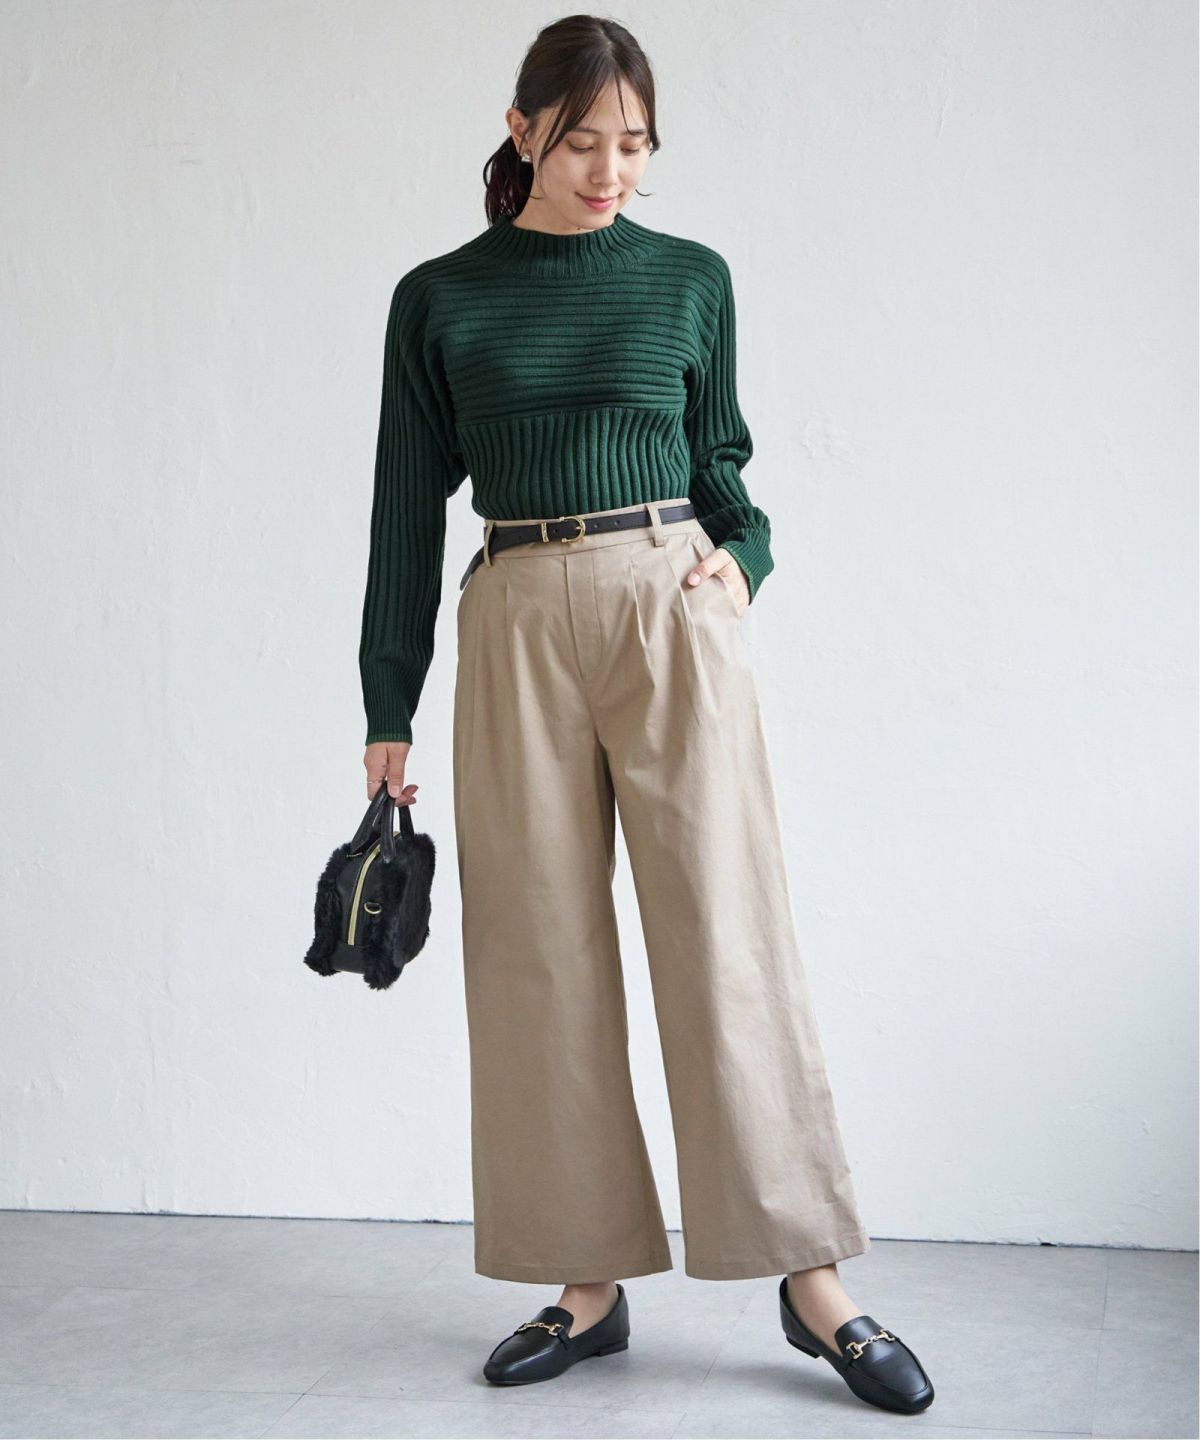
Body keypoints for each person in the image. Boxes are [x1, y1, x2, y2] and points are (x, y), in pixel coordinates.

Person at [357, 13, 933, 1417]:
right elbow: (402, 510)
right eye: (583, 143)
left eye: (635, 146)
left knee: (727, 930)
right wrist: (387, 705)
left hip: (667, 595)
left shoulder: (690, 279)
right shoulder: (440, 298)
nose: (611, 171)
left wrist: (745, 560)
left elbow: (724, 463)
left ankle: (810, 1280)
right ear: (521, 132)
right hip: (512, 610)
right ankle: (587, 1283)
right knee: (537, 951)